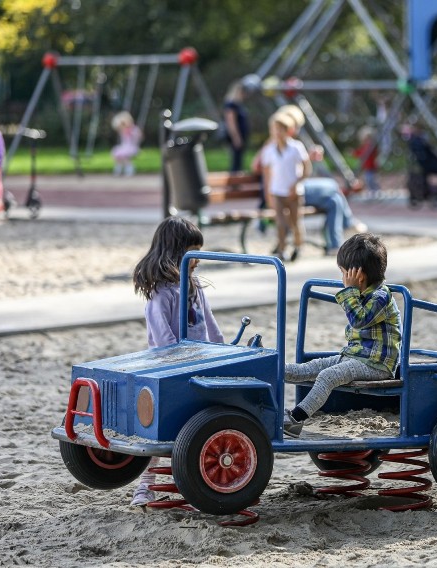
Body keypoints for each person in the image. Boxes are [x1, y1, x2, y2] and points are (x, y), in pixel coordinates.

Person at [129, 217, 224, 506]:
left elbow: (211, 327)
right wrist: (178, 364)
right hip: (169, 369)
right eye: (191, 253)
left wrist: (224, 353)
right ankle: (145, 485)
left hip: (199, 365)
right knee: (161, 431)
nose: (196, 260)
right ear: (174, 252)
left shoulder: (195, 286)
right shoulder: (161, 293)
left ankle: (196, 481)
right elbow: (163, 338)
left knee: (199, 425)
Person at [282, 233, 401, 438]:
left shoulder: (382, 297)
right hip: (355, 357)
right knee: (307, 368)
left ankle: (296, 419)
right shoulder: (363, 295)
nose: (342, 278)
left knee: (328, 376)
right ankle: (269, 370)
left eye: (343, 273)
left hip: (376, 365)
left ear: (358, 275)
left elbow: (358, 320)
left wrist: (349, 291)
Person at [261, 111, 311, 261]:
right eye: (274, 129)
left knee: (295, 222)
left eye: (280, 129)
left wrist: (296, 184)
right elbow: (267, 174)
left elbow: (307, 168)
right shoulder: (269, 150)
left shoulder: (296, 147)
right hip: (277, 191)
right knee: (280, 223)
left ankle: (298, 245)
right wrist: (268, 194)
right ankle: (282, 249)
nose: (277, 132)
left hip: (293, 192)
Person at [304, 145, 367, 254]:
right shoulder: (281, 145)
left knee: (334, 201)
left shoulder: (290, 144)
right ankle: (348, 222)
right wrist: (307, 157)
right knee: (333, 185)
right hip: (290, 191)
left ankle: (334, 245)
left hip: (299, 188)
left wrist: (309, 158)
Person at [222, 81, 249, 173]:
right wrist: (236, 137)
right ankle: (234, 181)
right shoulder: (231, 105)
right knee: (235, 161)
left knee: (239, 160)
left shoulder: (238, 105)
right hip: (236, 136)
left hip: (241, 135)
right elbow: (231, 122)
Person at [110, 111, 142, 177]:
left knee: (125, 158)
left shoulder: (134, 129)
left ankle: (129, 169)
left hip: (132, 147)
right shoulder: (123, 130)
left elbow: (138, 137)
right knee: (118, 157)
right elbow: (117, 127)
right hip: (124, 147)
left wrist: (132, 133)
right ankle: (118, 170)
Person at [352, 126, 381, 199]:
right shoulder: (364, 146)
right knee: (368, 179)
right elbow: (359, 153)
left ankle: (376, 191)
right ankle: (372, 191)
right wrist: (353, 153)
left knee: (371, 179)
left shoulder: (372, 146)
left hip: (372, 166)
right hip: (367, 167)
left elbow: (373, 153)